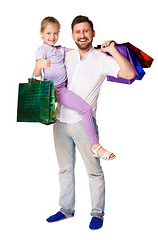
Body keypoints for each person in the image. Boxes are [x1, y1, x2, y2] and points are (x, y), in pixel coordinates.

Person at [46, 15, 136, 230]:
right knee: (64, 169)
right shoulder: (66, 56)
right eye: (78, 32)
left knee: (93, 170)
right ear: (72, 35)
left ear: (93, 33)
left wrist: (113, 50)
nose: (82, 35)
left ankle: (97, 213)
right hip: (59, 121)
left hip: (83, 125)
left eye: (86, 31)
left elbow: (129, 73)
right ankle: (66, 209)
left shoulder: (102, 58)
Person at [34, 16, 115, 160]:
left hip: (61, 89)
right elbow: (36, 75)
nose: (52, 37)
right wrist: (39, 66)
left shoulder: (61, 49)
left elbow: (79, 50)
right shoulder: (41, 51)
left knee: (84, 109)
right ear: (41, 33)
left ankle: (95, 146)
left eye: (55, 33)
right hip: (51, 90)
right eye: (48, 33)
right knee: (85, 109)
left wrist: (98, 51)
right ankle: (95, 146)